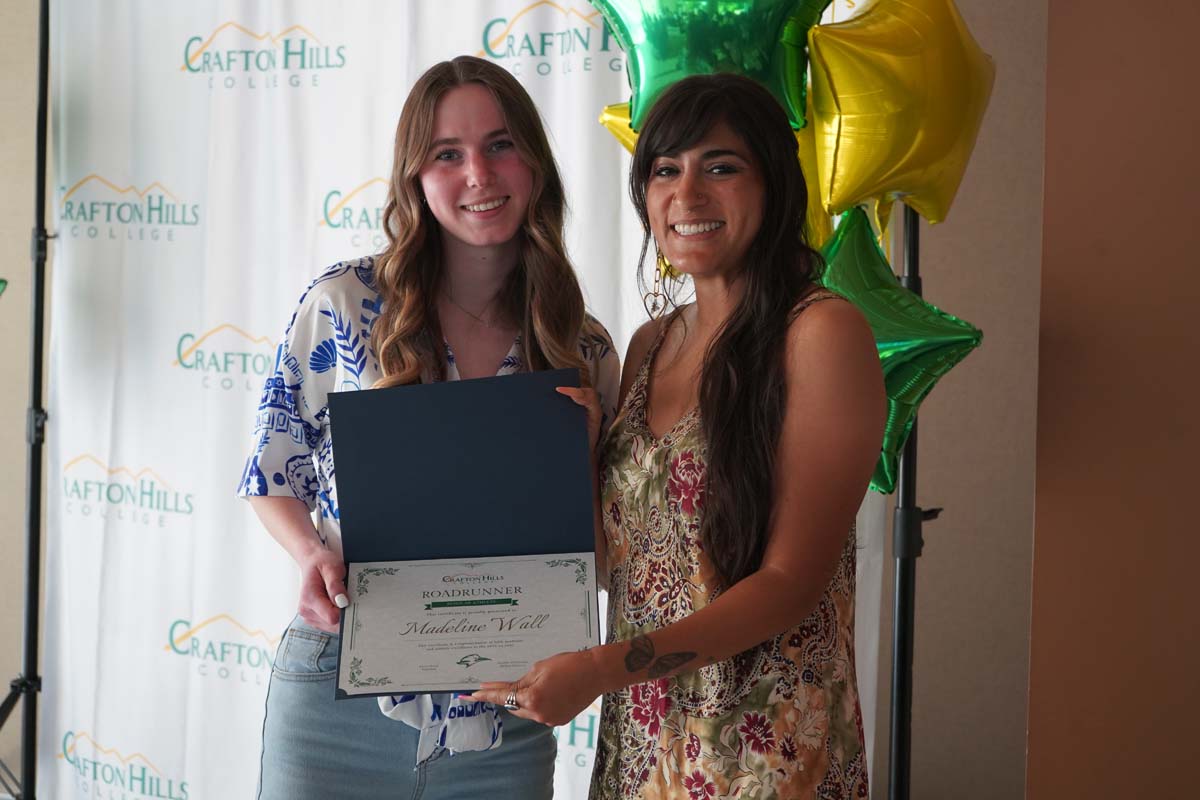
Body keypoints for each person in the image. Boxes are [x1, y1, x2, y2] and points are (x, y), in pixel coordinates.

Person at [469, 74, 886, 799]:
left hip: (768, 753)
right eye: (666, 169)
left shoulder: (820, 332)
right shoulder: (648, 345)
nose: (687, 195)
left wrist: (603, 669)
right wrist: (577, 462)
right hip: (643, 751)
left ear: (775, 185)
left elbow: (791, 584)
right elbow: (624, 572)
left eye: (720, 167)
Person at [237, 55, 619, 800]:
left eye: (501, 144)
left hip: (507, 704)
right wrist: (310, 551)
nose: (479, 173)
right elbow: (269, 471)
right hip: (336, 688)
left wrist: (593, 455)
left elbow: (603, 554)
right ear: (416, 175)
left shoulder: (584, 347)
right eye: (448, 154)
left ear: (535, 162)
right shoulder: (344, 304)